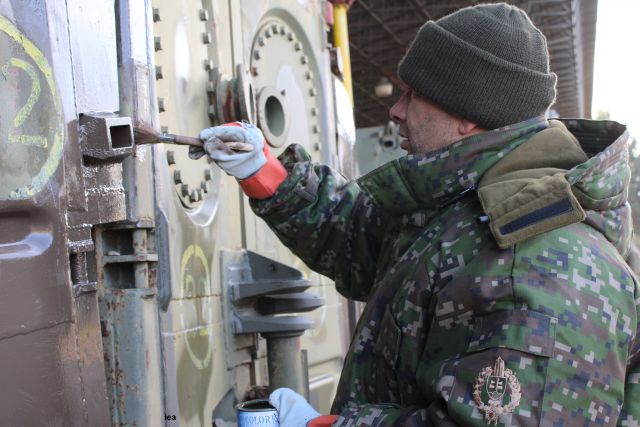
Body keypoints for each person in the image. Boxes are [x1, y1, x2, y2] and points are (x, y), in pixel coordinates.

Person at [193, 3, 640, 426]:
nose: (396, 111)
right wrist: (264, 172)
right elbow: (363, 239)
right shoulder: (469, 207)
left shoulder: (536, 262)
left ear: (468, 114)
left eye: (413, 95)